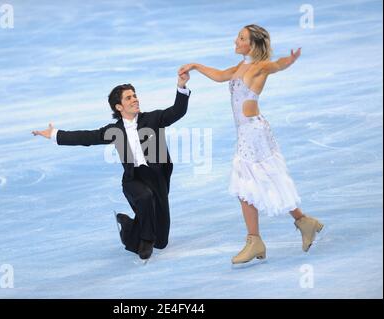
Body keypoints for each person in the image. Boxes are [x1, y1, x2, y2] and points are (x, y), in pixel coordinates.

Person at [179, 24, 323, 264]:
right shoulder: (240, 66)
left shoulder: (260, 67)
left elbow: (277, 65)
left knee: (245, 183)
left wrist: (291, 58)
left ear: (253, 45)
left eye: (241, 38)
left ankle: (256, 239)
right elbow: (220, 75)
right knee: (260, 180)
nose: (236, 40)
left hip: (254, 133)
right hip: (247, 132)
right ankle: (302, 222)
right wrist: (195, 65)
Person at [32, 72, 191, 260]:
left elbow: (177, 111)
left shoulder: (153, 119)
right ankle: (145, 241)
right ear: (119, 106)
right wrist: (54, 134)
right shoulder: (114, 130)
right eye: (129, 97)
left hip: (156, 178)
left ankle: (128, 225)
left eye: (135, 95)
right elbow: (86, 137)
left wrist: (181, 86)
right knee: (146, 199)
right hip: (134, 180)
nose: (135, 99)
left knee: (162, 242)